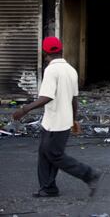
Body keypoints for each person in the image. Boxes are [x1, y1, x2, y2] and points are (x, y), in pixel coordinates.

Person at [12, 36, 101, 197]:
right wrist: (73, 120)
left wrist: (24, 109)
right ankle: (48, 188)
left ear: (45, 53)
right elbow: (74, 99)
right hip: (61, 121)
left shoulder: (51, 70)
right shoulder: (71, 70)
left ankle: (89, 174)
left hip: (55, 122)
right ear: (61, 50)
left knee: (54, 154)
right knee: (45, 153)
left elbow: (46, 97)